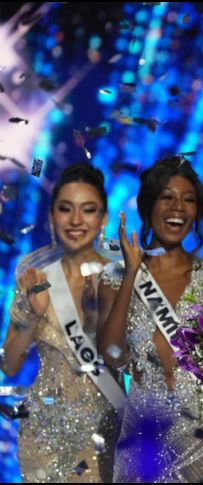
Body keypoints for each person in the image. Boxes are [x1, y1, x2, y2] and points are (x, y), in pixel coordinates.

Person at [97, 157, 203, 482]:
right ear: (148, 206)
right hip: (144, 432)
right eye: (167, 197)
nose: (178, 208)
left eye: (188, 200)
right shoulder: (115, 276)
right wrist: (132, 273)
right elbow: (111, 355)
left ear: (197, 212)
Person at [2, 163, 123, 482]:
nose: (75, 220)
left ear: (103, 219)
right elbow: (10, 365)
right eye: (65, 209)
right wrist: (33, 313)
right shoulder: (34, 275)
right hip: (43, 435)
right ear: (52, 217)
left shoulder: (122, 276)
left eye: (88, 210)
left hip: (103, 436)